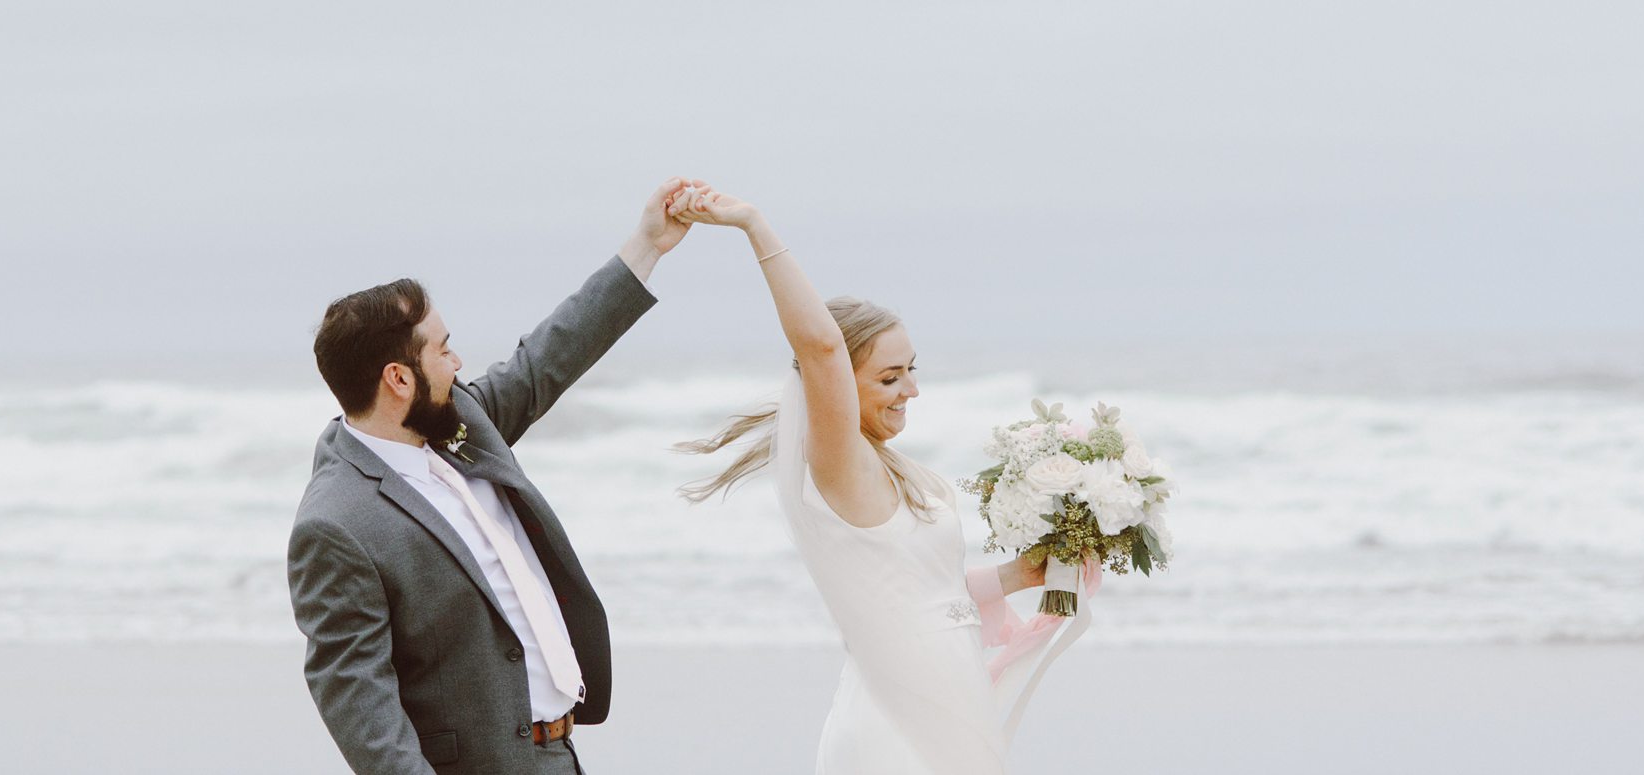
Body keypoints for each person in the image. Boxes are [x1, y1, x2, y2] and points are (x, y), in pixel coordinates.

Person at [288, 178, 697, 774]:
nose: (458, 363)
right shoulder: (336, 523)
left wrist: (648, 245)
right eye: (443, 350)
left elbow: (548, 358)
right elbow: (360, 705)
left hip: (559, 754)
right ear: (399, 378)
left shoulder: (460, 423)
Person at [675, 185, 1079, 775]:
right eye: (889, 377)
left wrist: (1024, 573)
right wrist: (753, 225)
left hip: (948, 705)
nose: (911, 390)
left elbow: (925, 594)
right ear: (840, 386)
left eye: (911, 371)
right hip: (892, 729)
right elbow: (818, 347)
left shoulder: (892, 470)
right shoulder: (840, 465)